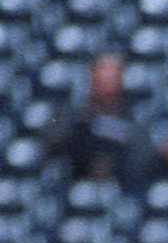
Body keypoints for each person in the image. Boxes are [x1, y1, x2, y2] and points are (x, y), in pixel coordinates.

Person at [43, 51, 152, 187]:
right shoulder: (73, 115)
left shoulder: (134, 118)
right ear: (92, 75)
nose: (107, 78)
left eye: (113, 73)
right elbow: (53, 143)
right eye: (103, 70)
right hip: (76, 185)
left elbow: (139, 159)